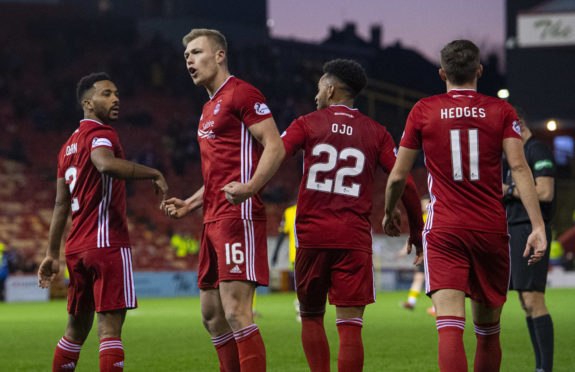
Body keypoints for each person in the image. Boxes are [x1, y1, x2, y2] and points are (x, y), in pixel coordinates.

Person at [382, 40, 547, 372]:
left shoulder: (423, 110)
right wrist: (538, 226)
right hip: (490, 229)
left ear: (442, 72)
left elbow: (399, 175)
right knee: (487, 332)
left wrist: (389, 211)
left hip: (445, 229)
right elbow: (519, 169)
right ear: (479, 71)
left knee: (450, 327)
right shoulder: (502, 111)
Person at [281, 59, 423, 372]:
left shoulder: (306, 123)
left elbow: (275, 155)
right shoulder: (377, 133)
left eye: (320, 85)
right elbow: (407, 183)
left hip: (312, 236)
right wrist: (416, 229)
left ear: (330, 88)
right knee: (350, 326)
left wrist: (250, 185)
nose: (317, 92)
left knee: (311, 316)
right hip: (353, 238)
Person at [161, 28, 285, 372]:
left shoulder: (241, 93)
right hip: (212, 218)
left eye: (197, 52)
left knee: (236, 311)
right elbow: (218, 176)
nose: (189, 60)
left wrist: (250, 187)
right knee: (213, 316)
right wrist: (190, 203)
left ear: (219, 55)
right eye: (186, 55)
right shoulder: (208, 108)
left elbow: (275, 145)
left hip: (238, 216)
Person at [37, 72, 168, 372]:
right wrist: (154, 173)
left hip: (76, 249)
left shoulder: (66, 146)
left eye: (116, 93)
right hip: (106, 243)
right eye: (107, 94)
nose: (116, 99)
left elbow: (60, 204)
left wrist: (50, 253)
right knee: (109, 331)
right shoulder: (103, 133)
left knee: (74, 332)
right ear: (88, 103)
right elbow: (105, 163)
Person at [502, 107, 556, 372]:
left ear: (519, 123)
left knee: (534, 299)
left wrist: (509, 189)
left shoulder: (537, 151)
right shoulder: (514, 155)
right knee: (525, 300)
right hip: (516, 228)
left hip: (531, 229)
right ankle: (540, 367)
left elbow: (545, 192)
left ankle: (545, 368)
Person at [400, 195, 435, 316]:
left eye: (426, 203)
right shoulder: (423, 218)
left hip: (433, 254)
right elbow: (414, 235)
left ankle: (436, 307)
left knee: (435, 280)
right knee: (418, 278)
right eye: (422, 204)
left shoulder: (432, 218)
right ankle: (411, 302)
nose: (423, 206)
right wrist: (404, 250)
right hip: (425, 254)